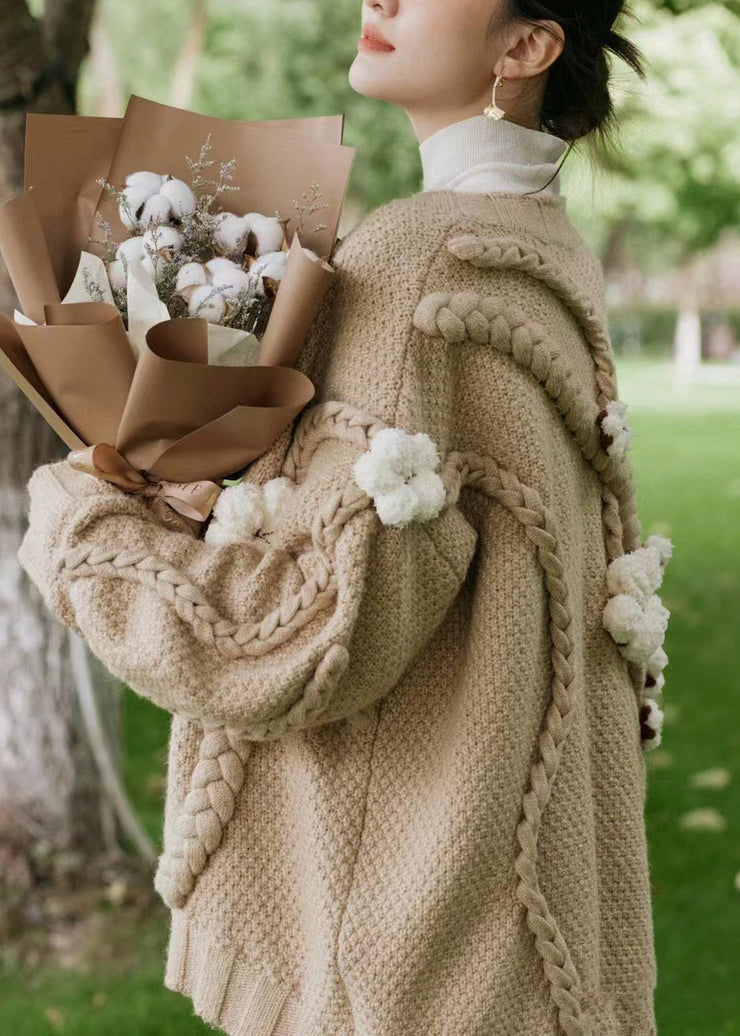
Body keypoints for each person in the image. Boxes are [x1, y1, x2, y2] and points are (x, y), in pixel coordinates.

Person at [18, 1, 674, 1033]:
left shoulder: (417, 258)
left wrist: (77, 516)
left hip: (407, 963)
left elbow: (310, 632)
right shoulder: (539, 242)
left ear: (525, 47)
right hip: (510, 941)